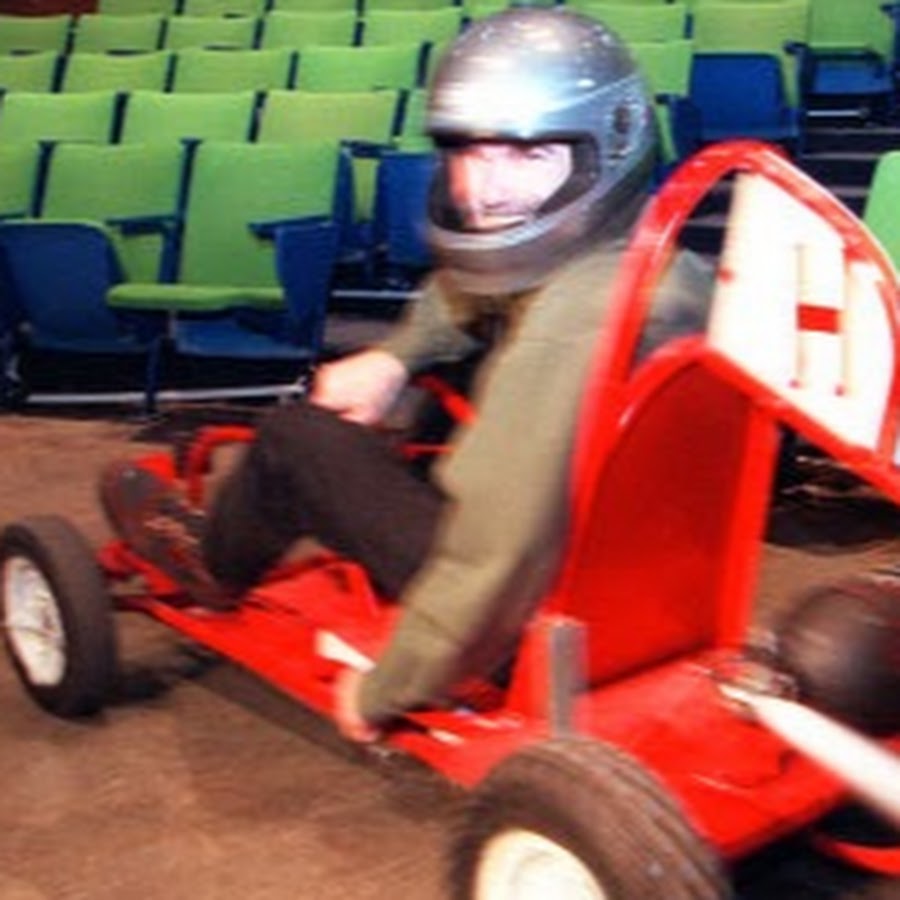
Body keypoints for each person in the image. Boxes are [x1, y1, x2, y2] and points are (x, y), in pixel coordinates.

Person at [101, 8, 713, 742]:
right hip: (646, 602)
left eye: (527, 156)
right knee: (452, 372)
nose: (487, 190)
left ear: (602, 153)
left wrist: (385, 688)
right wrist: (396, 357)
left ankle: (209, 564)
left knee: (297, 439)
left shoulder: (568, 330)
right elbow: (476, 293)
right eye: (471, 153)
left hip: (519, 621)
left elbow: (499, 559)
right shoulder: (672, 277)